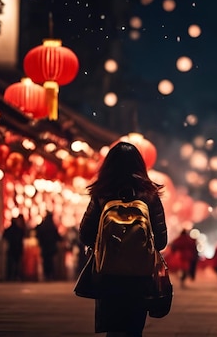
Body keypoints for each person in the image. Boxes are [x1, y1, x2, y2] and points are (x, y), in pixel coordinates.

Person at [79, 141, 167, 336]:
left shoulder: (102, 193)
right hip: (140, 276)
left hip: (109, 274)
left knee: (114, 330)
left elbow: (85, 234)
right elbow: (161, 242)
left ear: (108, 165)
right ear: (140, 165)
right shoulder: (150, 195)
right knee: (134, 330)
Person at [35, 211, 62, 281]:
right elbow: (57, 237)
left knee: (45, 261)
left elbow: (37, 233)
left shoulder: (43, 226)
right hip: (51, 247)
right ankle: (51, 274)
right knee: (51, 261)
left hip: (44, 246)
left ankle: (46, 274)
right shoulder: (52, 226)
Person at [3, 214, 26, 281]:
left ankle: (10, 276)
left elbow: (5, 237)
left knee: (10, 263)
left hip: (11, 248)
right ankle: (16, 275)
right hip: (17, 248)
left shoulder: (8, 230)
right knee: (17, 263)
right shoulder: (19, 230)